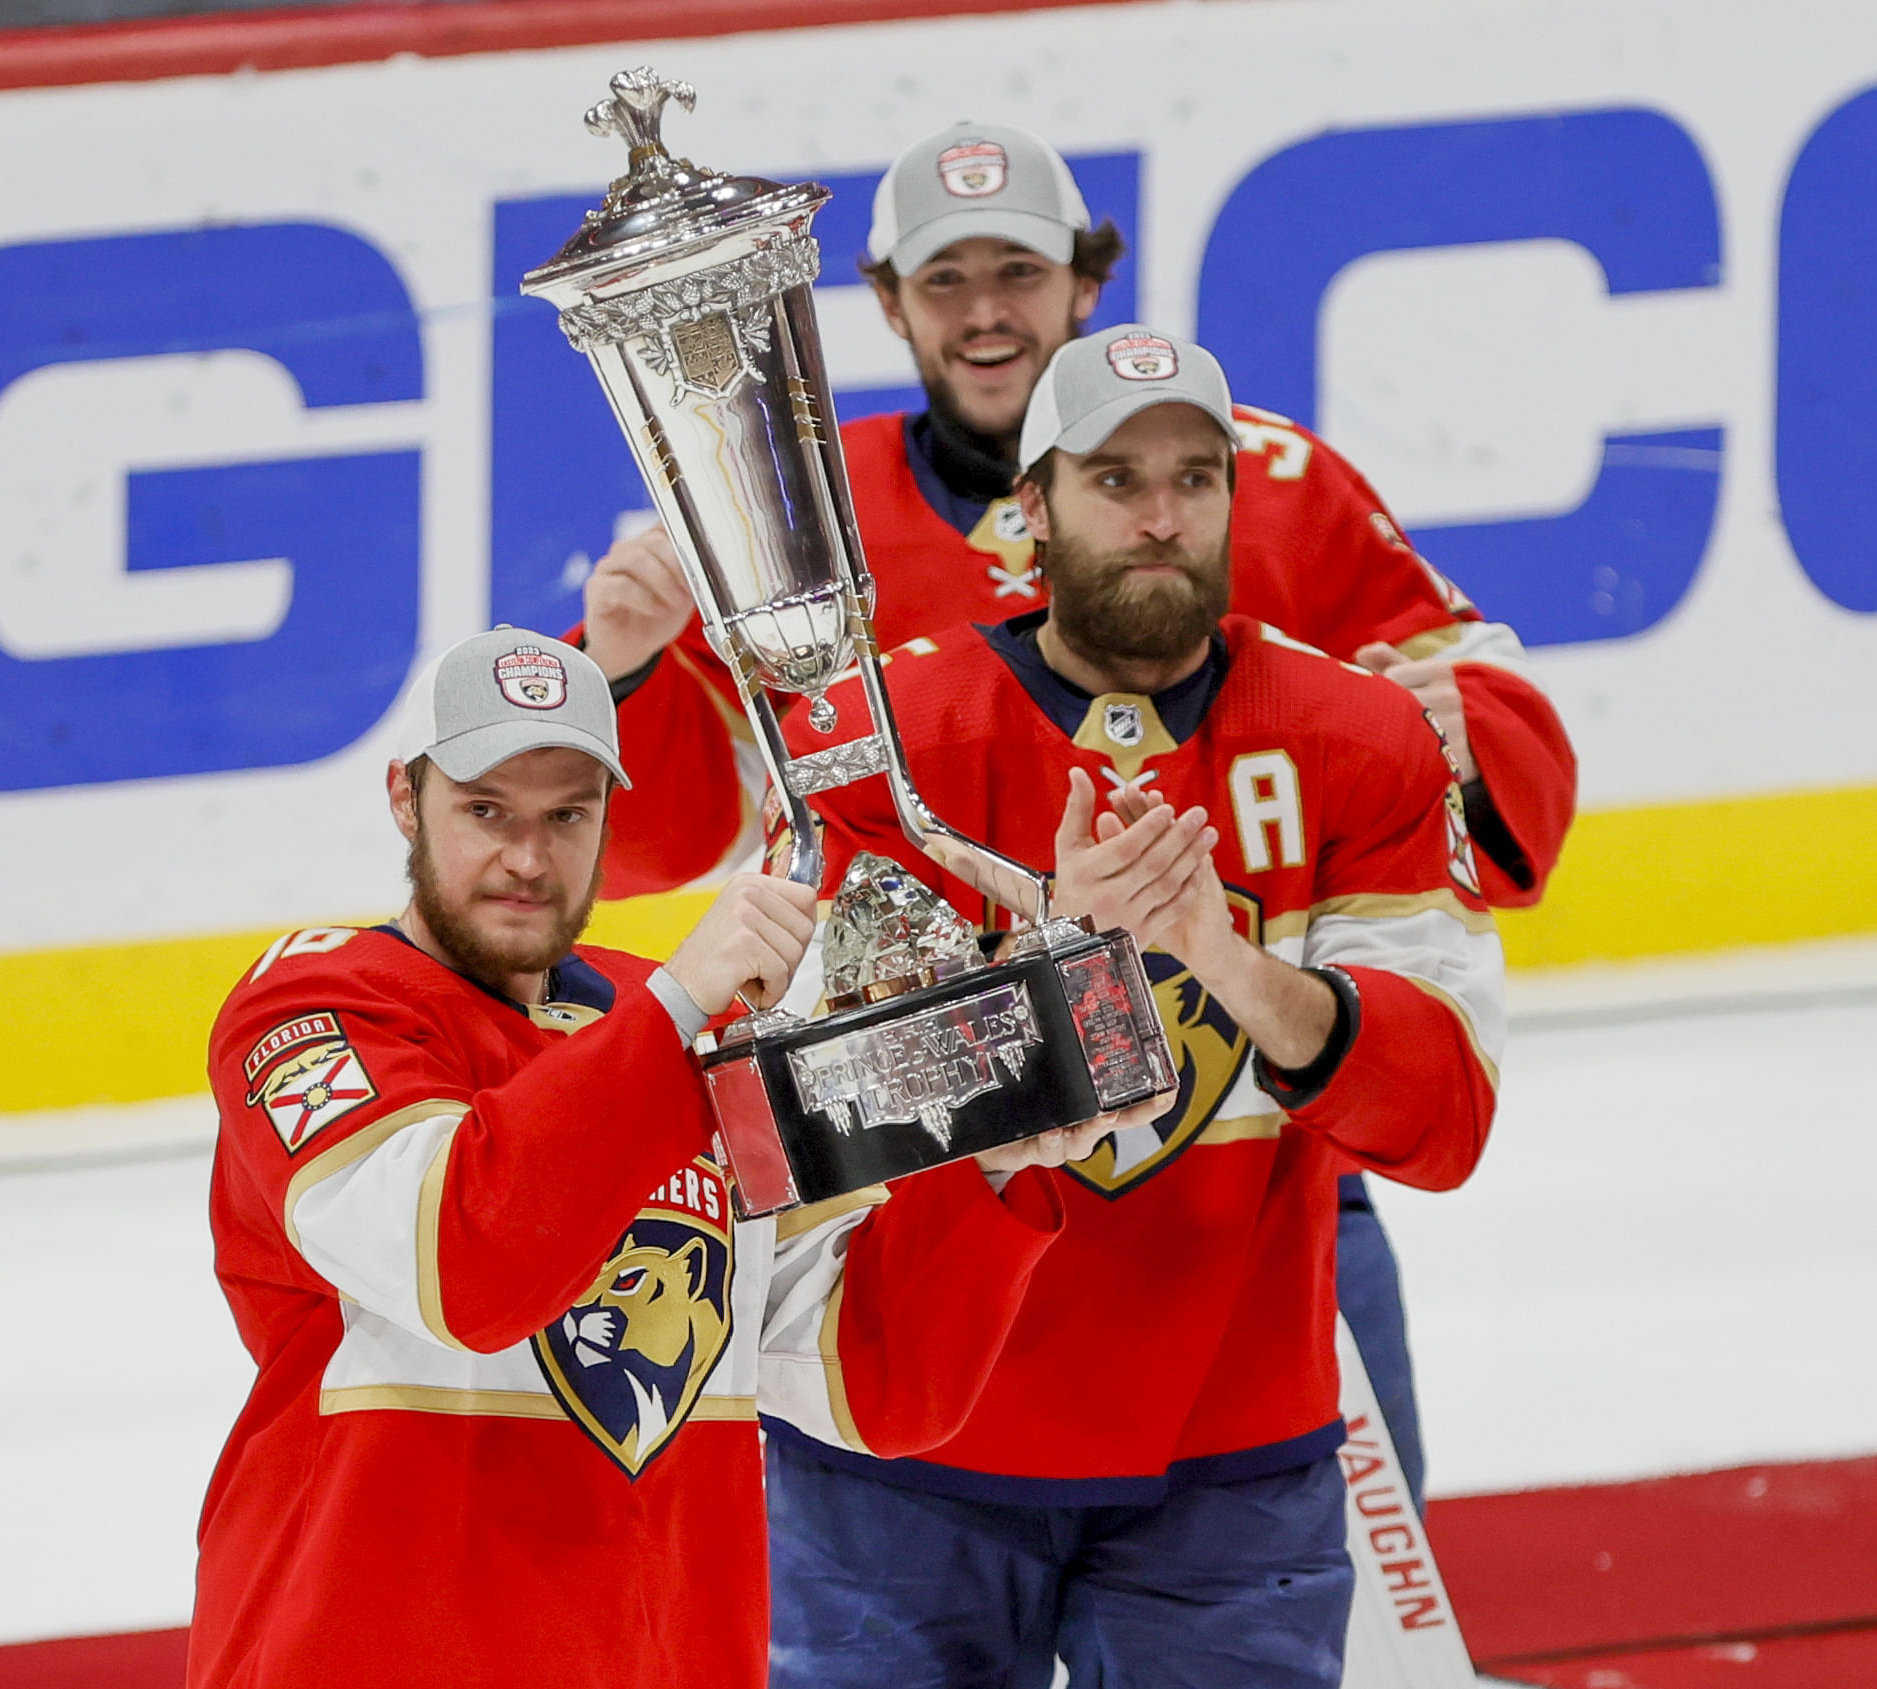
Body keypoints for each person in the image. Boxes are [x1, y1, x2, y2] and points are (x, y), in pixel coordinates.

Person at [580, 119, 1558, 1502]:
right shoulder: (799, 513)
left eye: (1019, 272)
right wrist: (627, 668)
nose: (986, 311)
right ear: (887, 301)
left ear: (1082, 282)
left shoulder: (1261, 476)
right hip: (952, 1159)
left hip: (1258, 1149)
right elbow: (676, 839)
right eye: (945, 279)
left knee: (1328, 1576)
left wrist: (1463, 735)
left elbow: (1467, 727)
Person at [188, 627, 1165, 1689]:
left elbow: (873, 1378)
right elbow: (463, 1261)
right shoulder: (316, 1006)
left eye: (567, 814)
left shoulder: (675, 1036)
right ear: (402, 800)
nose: (527, 856)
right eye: (485, 811)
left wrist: (990, 1168)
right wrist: (674, 1009)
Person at [758, 328, 1504, 1688]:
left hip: (1227, 1461)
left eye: (1195, 478)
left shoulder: (1355, 739)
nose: (1161, 517)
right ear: (1028, 507)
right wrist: (1058, 960)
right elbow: (791, 1119)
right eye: (1113, 480)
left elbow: (1442, 1115)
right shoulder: (885, 748)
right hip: (904, 1442)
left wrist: (1220, 958)